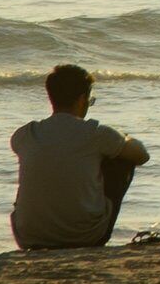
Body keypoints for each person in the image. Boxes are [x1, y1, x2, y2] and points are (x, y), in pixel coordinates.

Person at [10, 64, 149, 251]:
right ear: (82, 99)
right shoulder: (95, 133)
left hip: (28, 236)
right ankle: (85, 218)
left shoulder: (25, 134)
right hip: (85, 236)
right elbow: (141, 155)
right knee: (121, 159)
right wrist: (123, 138)